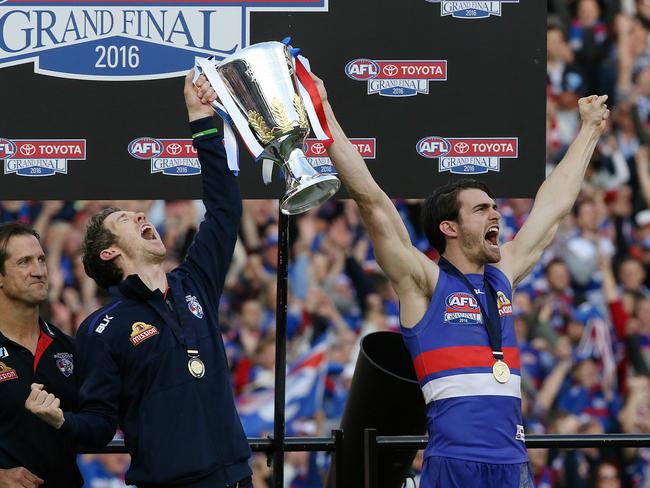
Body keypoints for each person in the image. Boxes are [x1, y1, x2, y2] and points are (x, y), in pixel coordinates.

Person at [312, 72, 609, 487]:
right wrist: (320, 107)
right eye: (481, 209)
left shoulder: (502, 277)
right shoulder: (425, 283)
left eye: (494, 207)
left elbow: (554, 207)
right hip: (453, 465)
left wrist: (589, 130)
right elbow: (372, 201)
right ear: (449, 228)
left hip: (513, 466)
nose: (496, 215)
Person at [25, 72, 253, 488]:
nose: (142, 215)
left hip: (236, 478)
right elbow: (97, 424)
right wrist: (61, 420)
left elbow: (224, 209)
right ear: (109, 252)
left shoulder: (195, 282)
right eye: (125, 220)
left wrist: (201, 120)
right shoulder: (99, 330)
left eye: (138, 213)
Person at [0, 222, 81, 487]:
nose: (39, 271)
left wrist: (64, 421)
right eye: (24, 262)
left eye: (42, 260)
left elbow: (98, 422)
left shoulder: (68, 348)